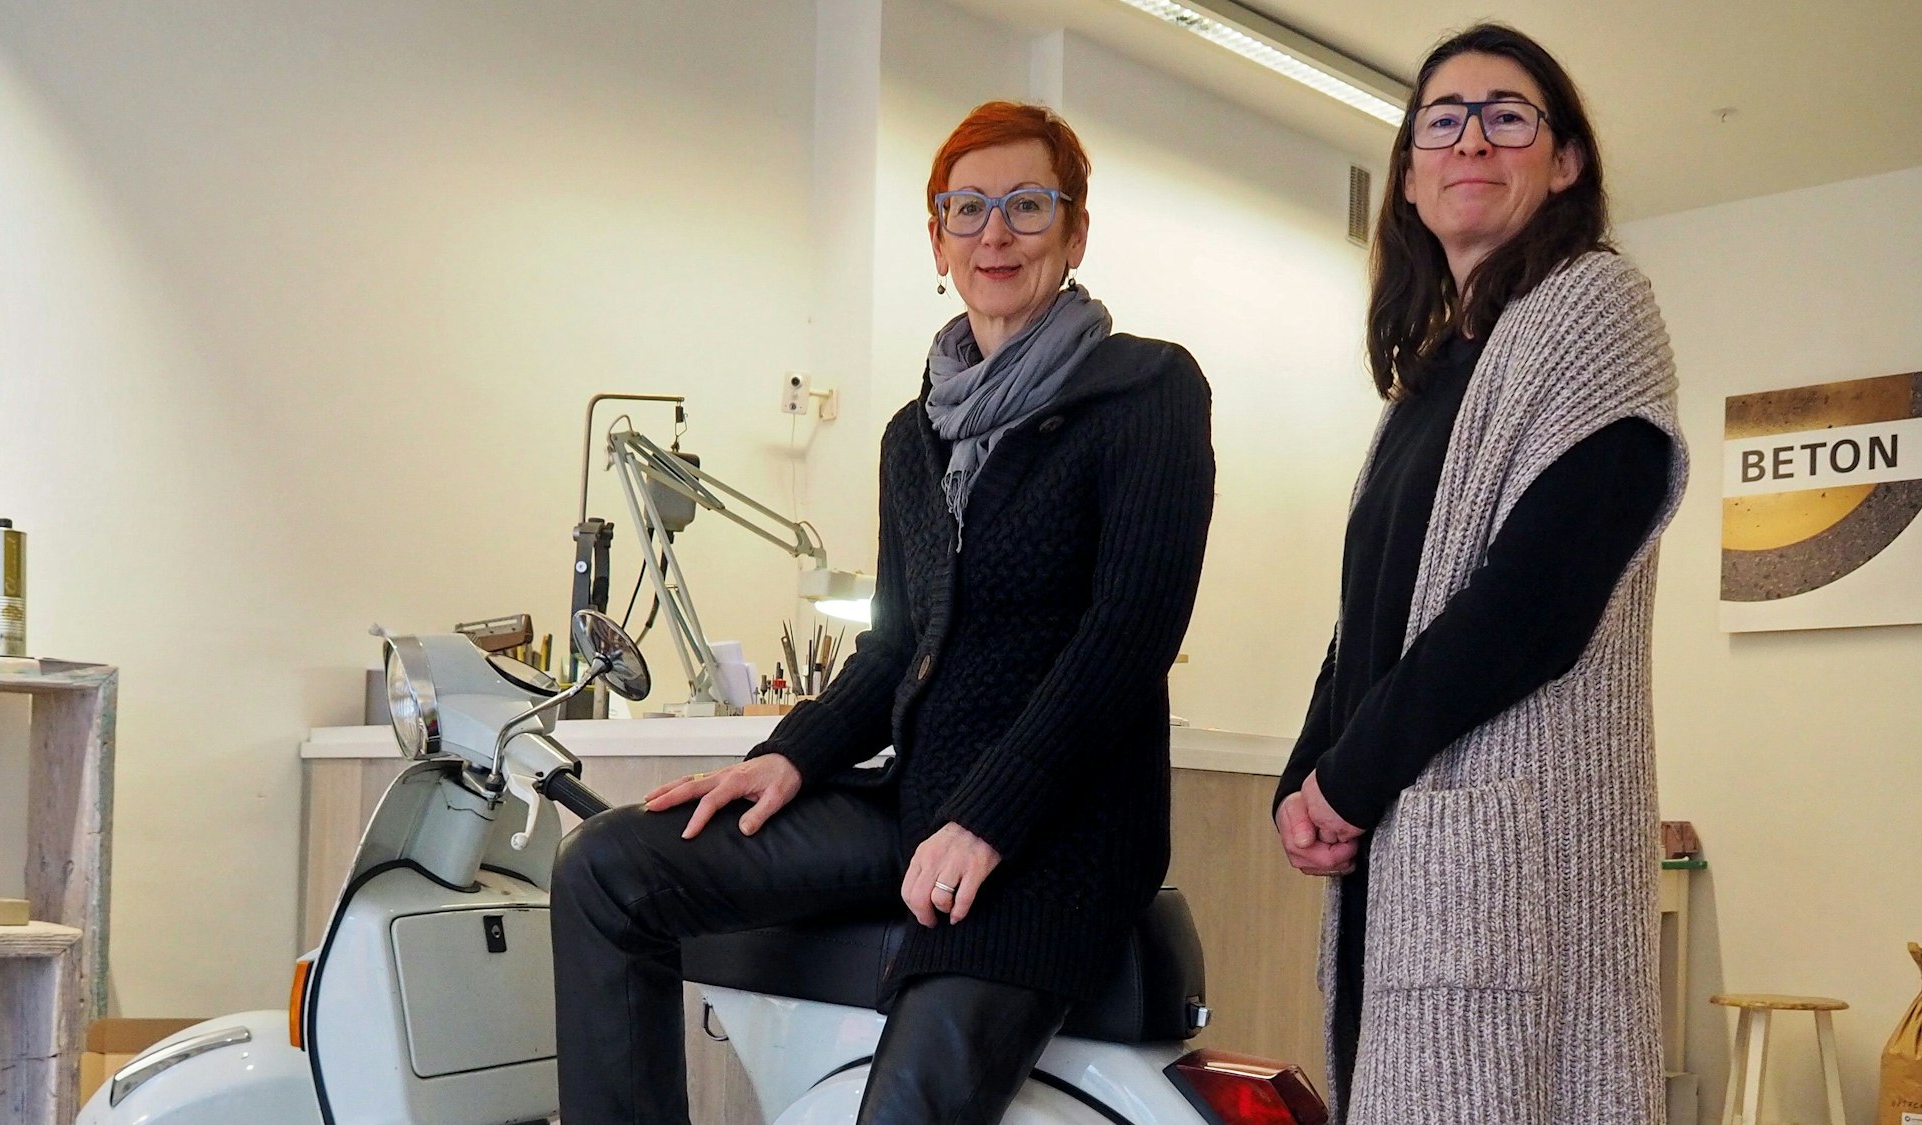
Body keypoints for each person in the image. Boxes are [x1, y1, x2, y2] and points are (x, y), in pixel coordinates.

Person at [550, 100, 1215, 1125]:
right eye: (967, 209)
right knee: (607, 868)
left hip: (1059, 835)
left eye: (1026, 207)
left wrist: (986, 820)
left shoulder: (1146, 392)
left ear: (1074, 231)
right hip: (914, 805)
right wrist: (787, 755)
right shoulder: (916, 433)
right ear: (937, 239)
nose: (994, 233)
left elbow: (1124, 638)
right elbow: (897, 645)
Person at [1270, 23, 1688, 1125]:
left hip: (1509, 861)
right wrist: (1307, 767)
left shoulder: (1591, 309)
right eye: (1440, 120)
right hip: (1405, 863)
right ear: (1406, 178)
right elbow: (1370, 615)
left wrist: (1348, 777)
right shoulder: (1431, 375)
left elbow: (1532, 605)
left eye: (1507, 116)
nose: (1470, 140)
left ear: (1562, 163)